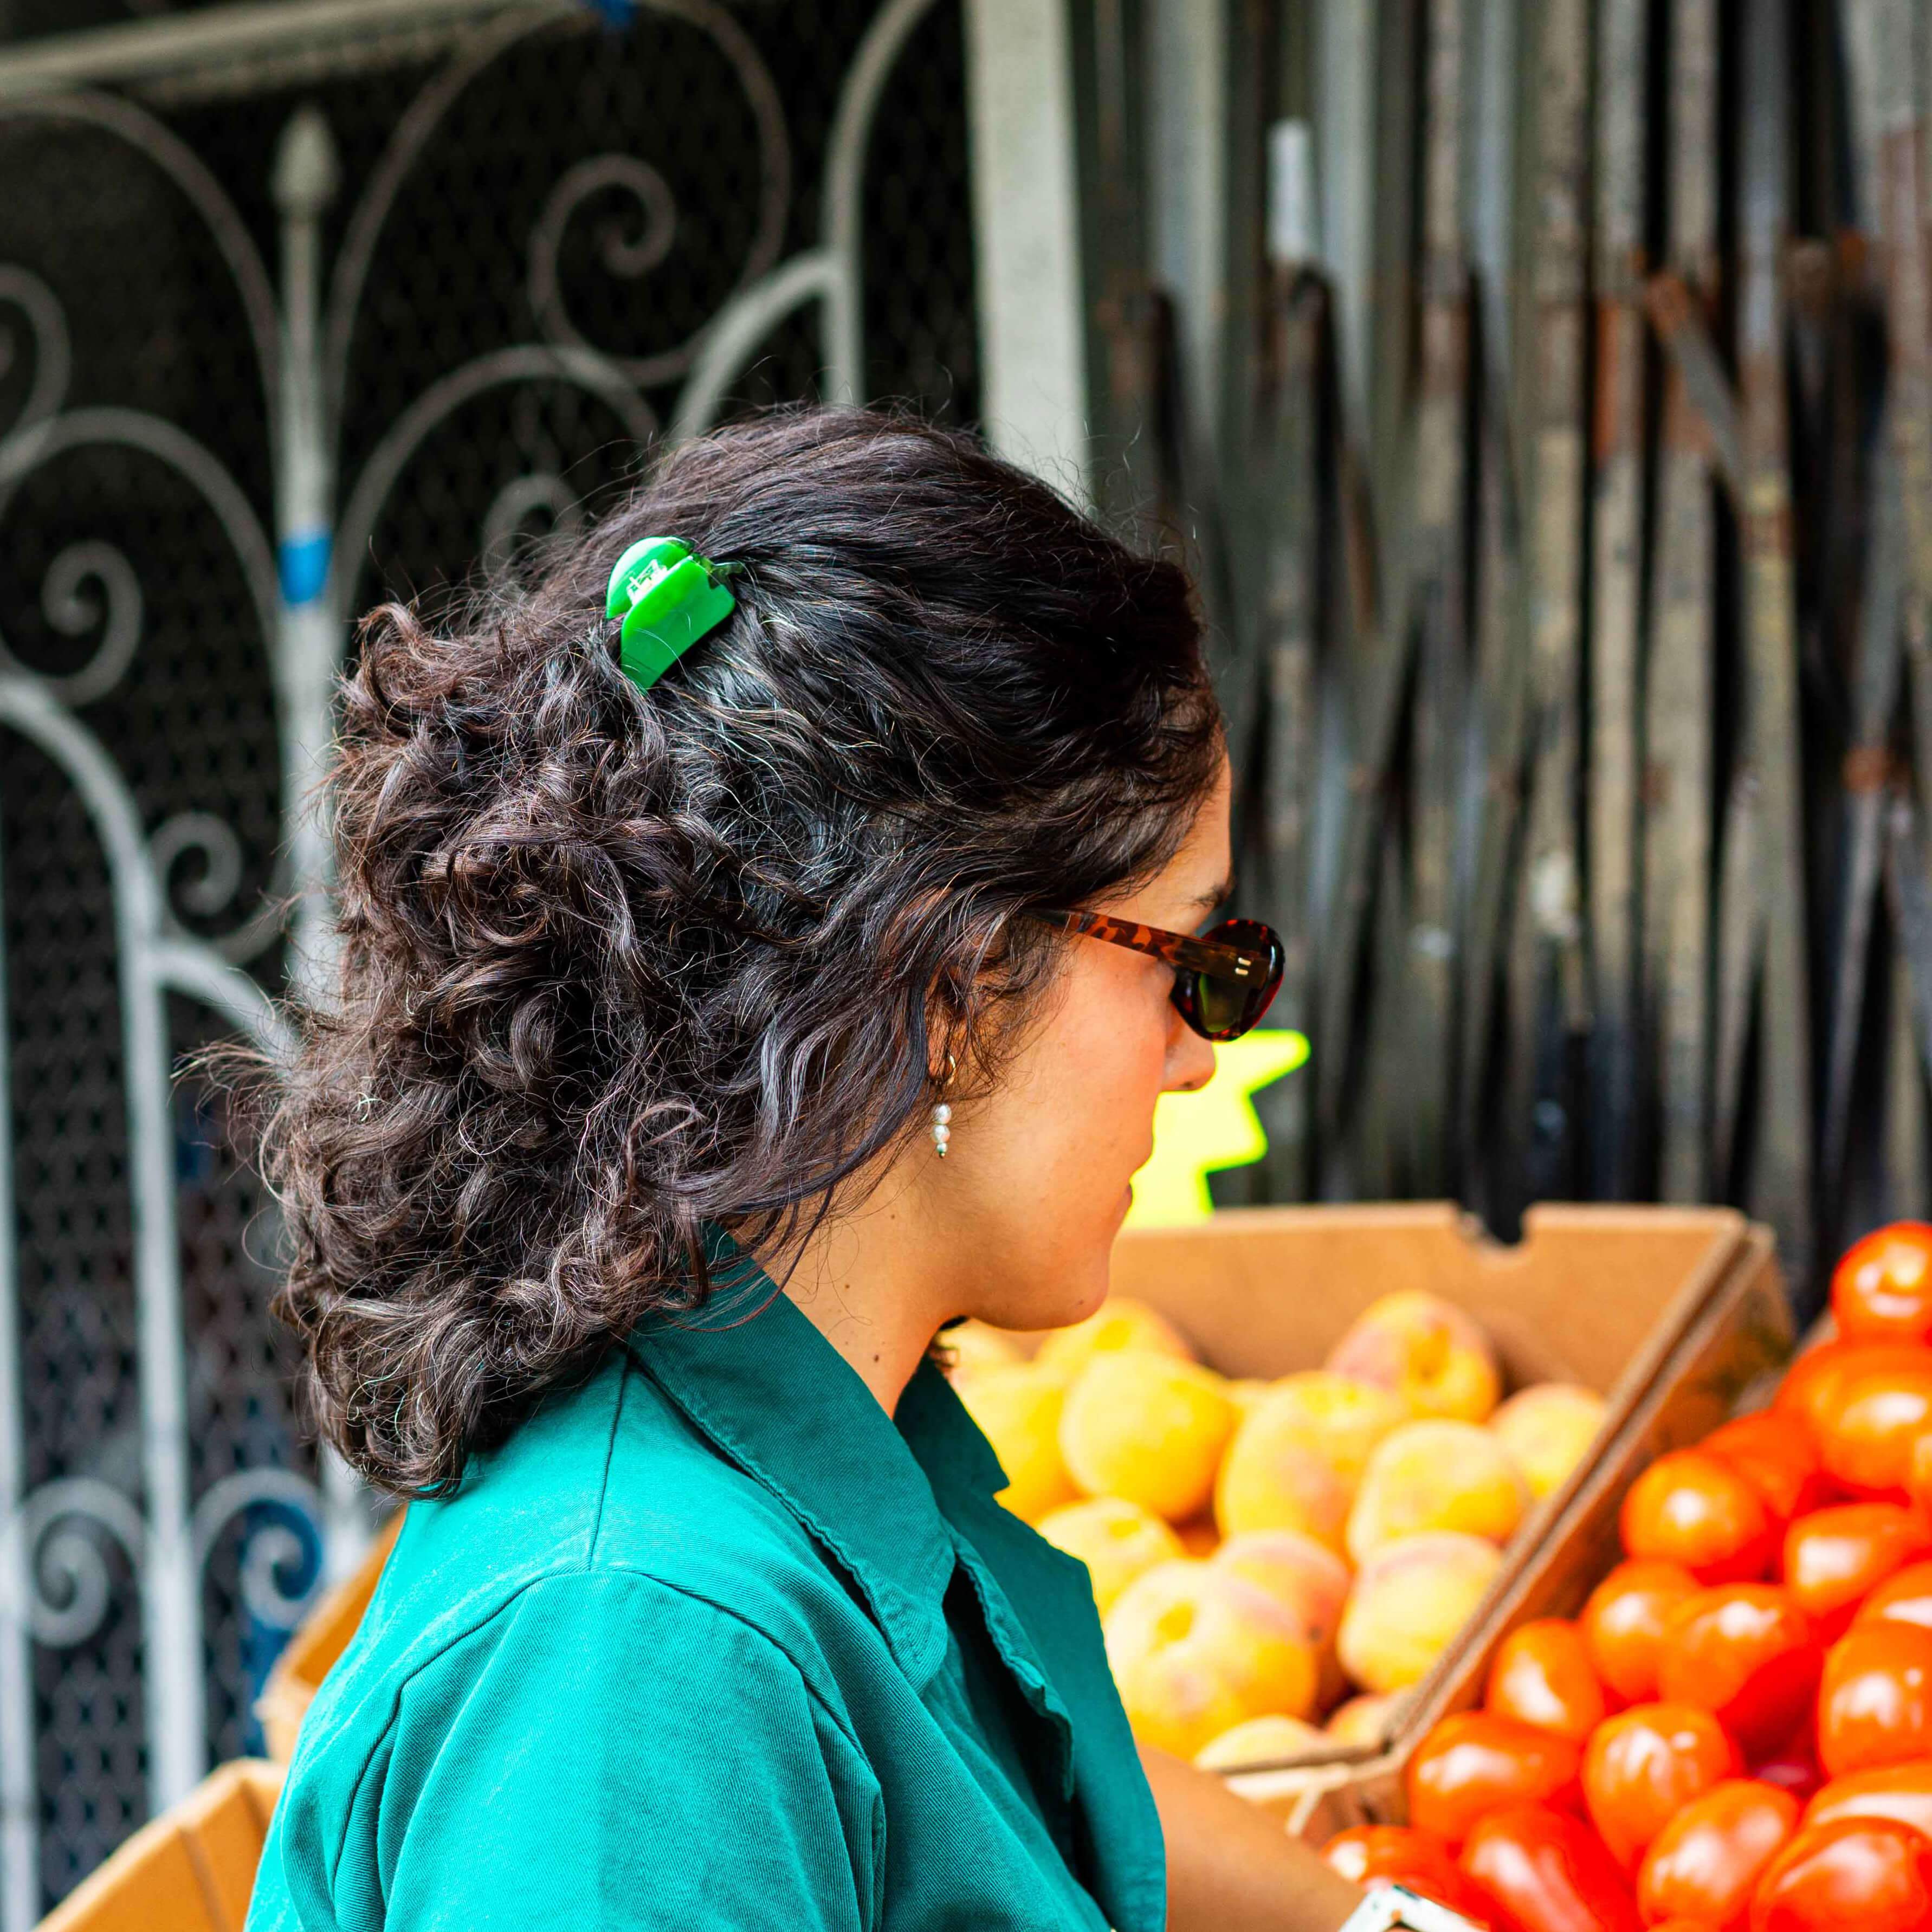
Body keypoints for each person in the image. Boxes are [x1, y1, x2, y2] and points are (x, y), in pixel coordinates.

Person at [239, 411, 1427, 1930]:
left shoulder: (809, 1429)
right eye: (1193, 963)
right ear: (952, 986)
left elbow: (1028, 1801)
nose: (1206, 1053)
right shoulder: (641, 1655)